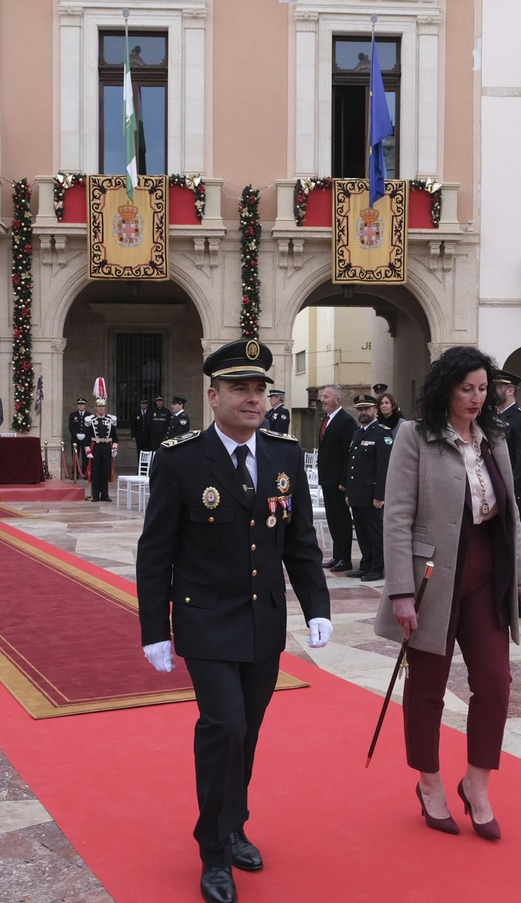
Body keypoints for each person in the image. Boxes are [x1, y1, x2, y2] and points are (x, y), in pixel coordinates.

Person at [135, 339, 331, 903]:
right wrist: (155, 628)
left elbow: (300, 544)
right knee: (225, 728)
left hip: (263, 621)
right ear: (213, 394)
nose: (253, 399)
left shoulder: (284, 454)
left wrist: (316, 606)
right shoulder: (181, 459)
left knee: (250, 729)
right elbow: (156, 552)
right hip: (205, 619)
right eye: (240, 389)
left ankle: (235, 822)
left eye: (260, 389)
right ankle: (214, 850)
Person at [376, 346, 521, 842]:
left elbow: (509, 515)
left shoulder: (495, 437)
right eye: (466, 388)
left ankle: (477, 783)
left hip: (488, 573)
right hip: (432, 578)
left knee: (496, 681)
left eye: (483, 388)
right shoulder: (415, 436)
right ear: (445, 387)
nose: (475, 397)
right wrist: (402, 591)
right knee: (427, 688)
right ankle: (429, 783)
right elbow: (397, 515)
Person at [345, 394, 391, 581]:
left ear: (375, 410)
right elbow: (352, 465)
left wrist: (380, 495)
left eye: (366, 409)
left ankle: (377, 567)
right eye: (360, 409)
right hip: (357, 492)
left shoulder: (382, 433)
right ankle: (366, 564)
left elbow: (384, 467)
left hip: (372, 493)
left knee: (375, 532)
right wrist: (349, 491)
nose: (363, 412)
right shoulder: (357, 433)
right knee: (362, 532)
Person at [315, 384, 357, 572]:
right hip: (327, 479)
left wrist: (344, 480)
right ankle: (337, 555)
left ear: (337, 400)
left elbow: (349, 454)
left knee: (342, 519)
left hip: (338, 482)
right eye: (323, 396)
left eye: (326, 396)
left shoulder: (346, 421)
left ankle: (345, 558)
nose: (322, 399)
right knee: (332, 519)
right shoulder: (327, 419)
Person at [494, 371, 521, 518]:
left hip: (510, 493)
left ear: (510, 391)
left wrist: (508, 488)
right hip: (492, 490)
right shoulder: (493, 417)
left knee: (509, 539)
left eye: (497, 387)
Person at [86, 398, 118, 502]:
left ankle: (105, 495)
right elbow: (87, 437)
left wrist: (114, 448)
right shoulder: (91, 420)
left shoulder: (110, 420)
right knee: (95, 472)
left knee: (105, 471)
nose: (101, 408)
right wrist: (88, 451)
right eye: (99, 406)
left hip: (106, 447)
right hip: (96, 447)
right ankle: (95, 495)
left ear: (105, 407)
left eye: (103, 406)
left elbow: (115, 437)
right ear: (96, 407)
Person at [68, 398, 91, 478]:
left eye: (82, 404)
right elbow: (71, 427)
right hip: (75, 439)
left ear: (85, 405)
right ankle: (75, 473)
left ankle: (85, 473)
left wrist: (85, 434)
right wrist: (76, 434)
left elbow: (90, 428)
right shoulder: (73, 415)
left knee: (86, 456)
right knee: (75, 456)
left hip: (86, 439)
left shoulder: (89, 416)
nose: (81, 406)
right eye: (79, 404)